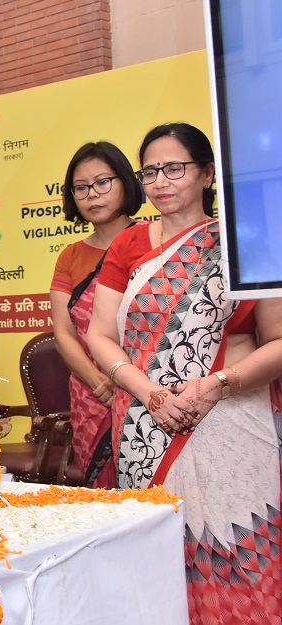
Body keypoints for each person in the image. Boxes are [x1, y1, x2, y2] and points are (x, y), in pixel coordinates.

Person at [87, 123, 282, 624]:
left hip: (230, 423)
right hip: (143, 422)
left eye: (174, 168)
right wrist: (150, 393)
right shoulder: (129, 244)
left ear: (207, 174)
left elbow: (278, 342)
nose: (160, 182)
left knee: (236, 549)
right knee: (156, 556)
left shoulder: (246, 240)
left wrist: (217, 384)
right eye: (150, 171)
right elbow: (100, 334)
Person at [49, 142, 142, 487]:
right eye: (81, 187)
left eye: (103, 182)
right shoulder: (71, 257)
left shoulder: (152, 242)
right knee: (104, 499)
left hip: (148, 389)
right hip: (90, 395)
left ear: (125, 183)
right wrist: (99, 383)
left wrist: (128, 382)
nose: (92, 194)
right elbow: (64, 332)